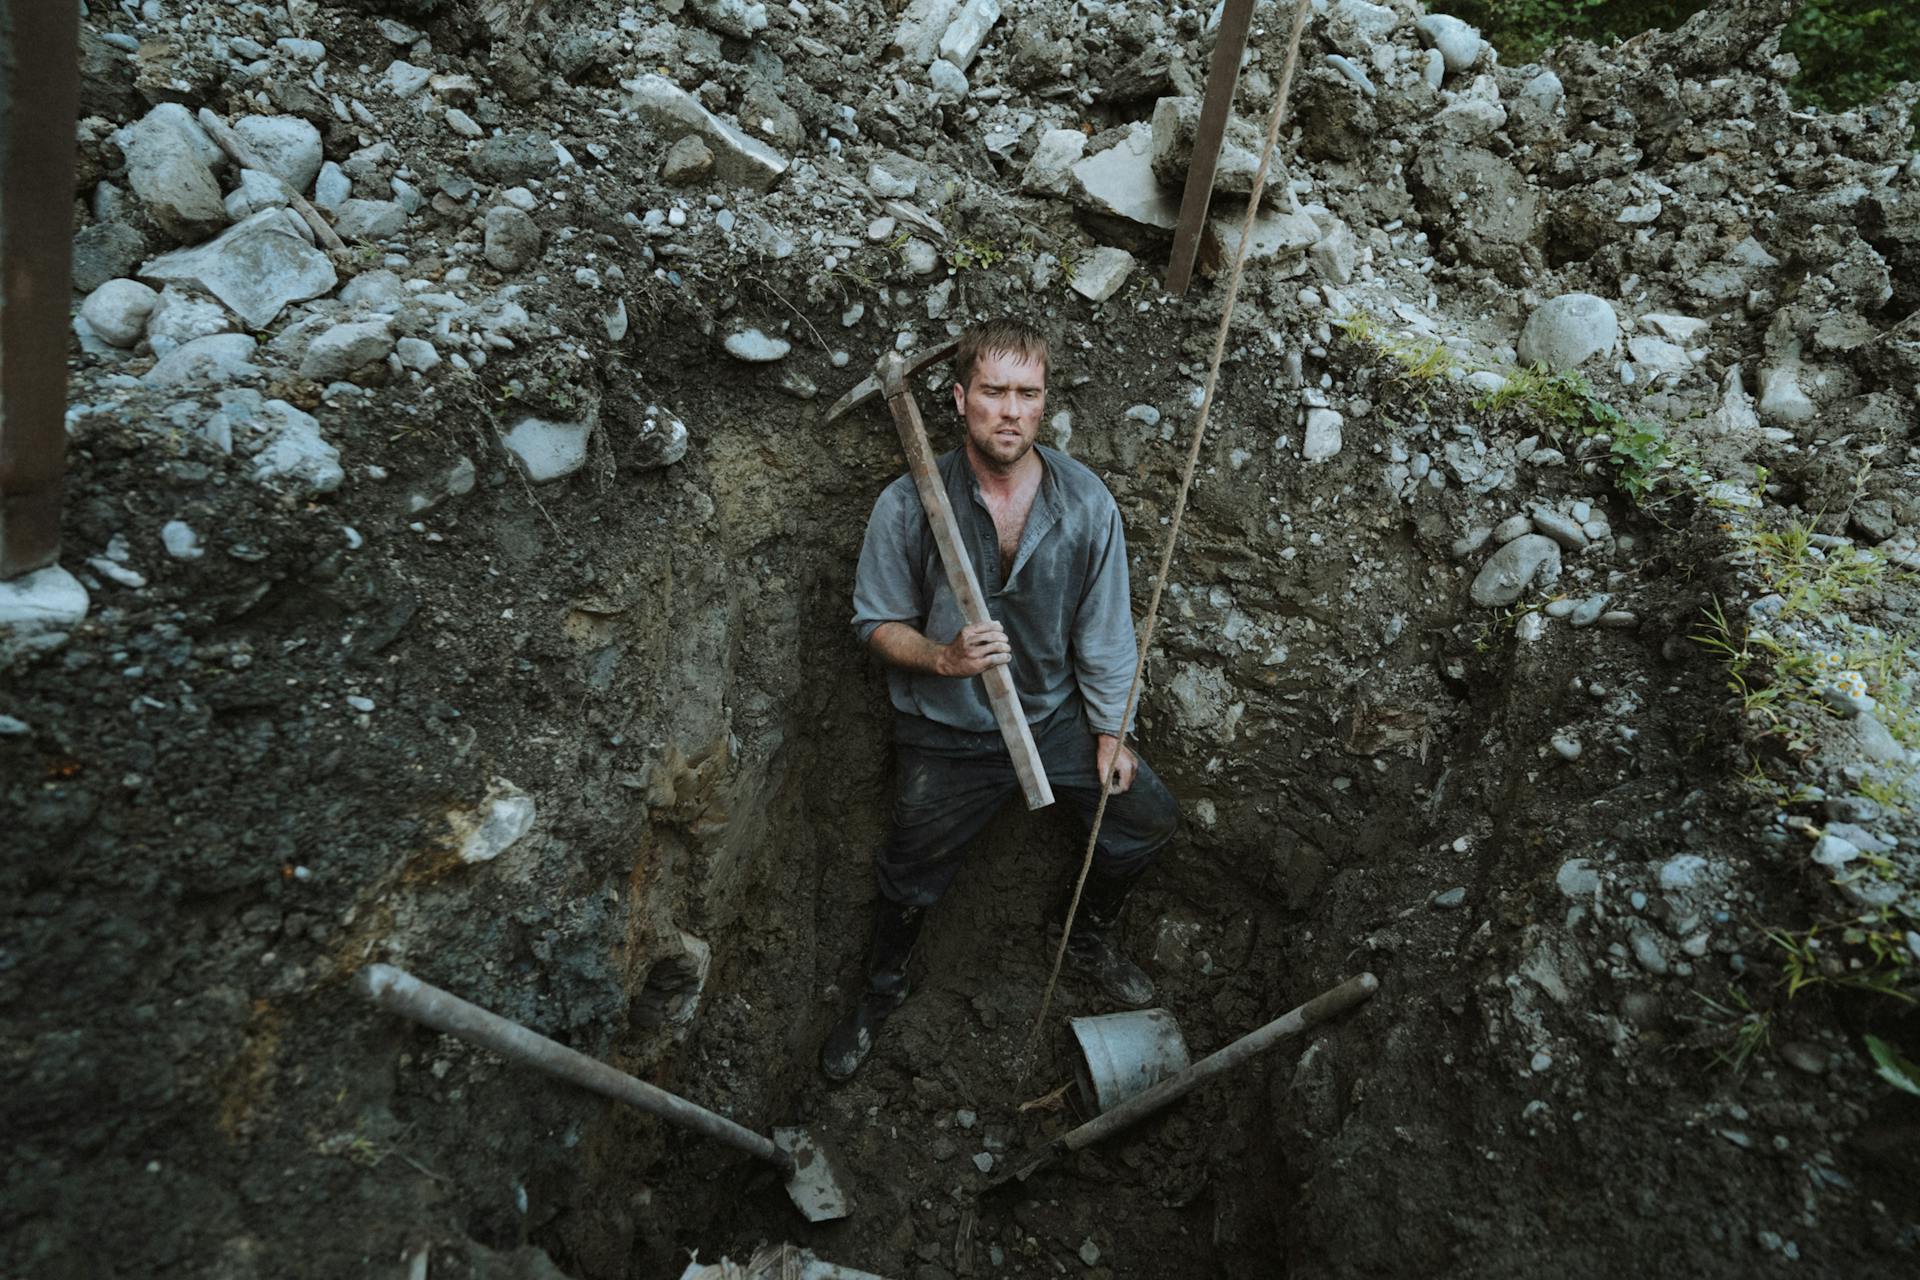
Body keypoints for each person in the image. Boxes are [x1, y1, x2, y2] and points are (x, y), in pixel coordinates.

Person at [820, 317, 1181, 1082]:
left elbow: (1108, 634)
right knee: (909, 873)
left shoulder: (1086, 506)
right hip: (945, 730)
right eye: (993, 393)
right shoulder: (905, 505)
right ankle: (881, 991)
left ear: (1043, 403)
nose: (1010, 411)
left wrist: (1113, 733)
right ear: (959, 399)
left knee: (1145, 818)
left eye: (1027, 394)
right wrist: (942, 657)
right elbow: (874, 623)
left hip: (1051, 719)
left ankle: (1083, 937)